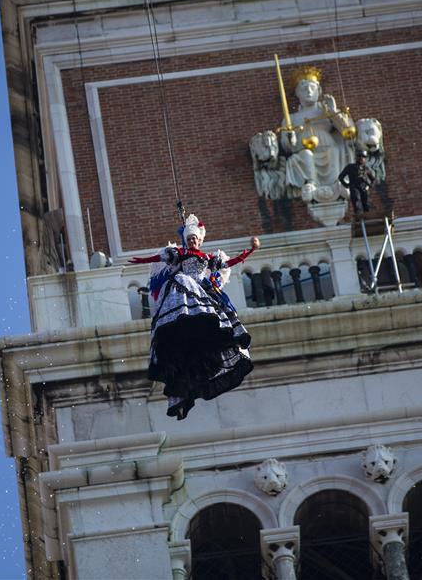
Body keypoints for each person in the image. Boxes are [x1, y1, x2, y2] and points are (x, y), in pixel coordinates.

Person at [130, 215, 259, 420]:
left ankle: (203, 326)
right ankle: (185, 321)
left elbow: (227, 264)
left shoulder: (208, 258)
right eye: (189, 239)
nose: (192, 241)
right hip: (186, 286)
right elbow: (159, 259)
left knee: (214, 310)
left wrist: (247, 253)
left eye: (195, 239)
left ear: (199, 241)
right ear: (186, 240)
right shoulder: (180, 253)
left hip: (202, 288)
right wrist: (141, 260)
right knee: (182, 282)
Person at [281, 66, 355, 203]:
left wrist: (333, 112)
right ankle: (311, 182)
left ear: (319, 90)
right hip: (304, 148)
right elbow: (287, 146)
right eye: (303, 89)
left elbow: (348, 131)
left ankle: (336, 183)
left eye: (312, 88)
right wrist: (290, 138)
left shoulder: (327, 110)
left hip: (328, 145)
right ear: (297, 93)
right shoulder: (291, 118)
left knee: (333, 151)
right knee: (305, 155)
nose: (308, 91)